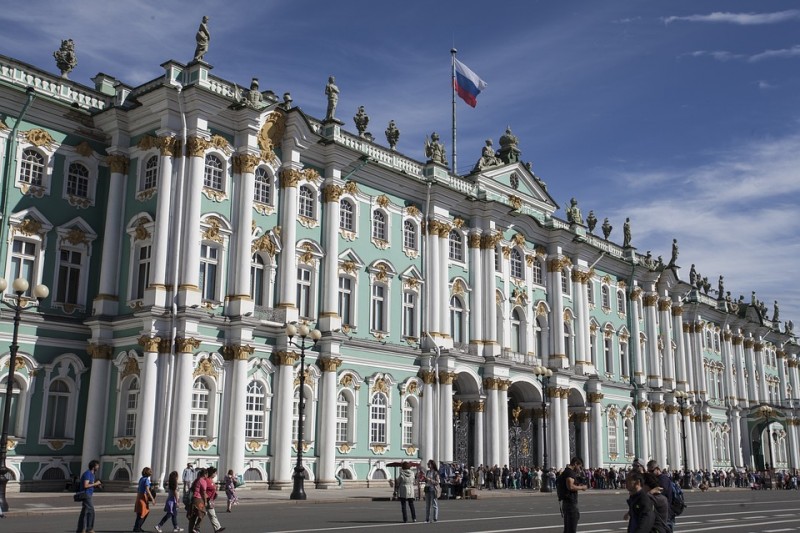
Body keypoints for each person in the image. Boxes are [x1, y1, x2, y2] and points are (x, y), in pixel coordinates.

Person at [556, 457, 587, 533]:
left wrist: (577, 485)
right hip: (571, 503)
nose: (579, 469)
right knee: (571, 529)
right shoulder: (570, 473)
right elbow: (570, 486)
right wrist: (582, 487)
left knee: (567, 529)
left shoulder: (565, 472)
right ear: (575, 463)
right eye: (579, 466)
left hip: (566, 503)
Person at [646, 460, 675, 531]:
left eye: (651, 471)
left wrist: (650, 492)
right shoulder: (657, 478)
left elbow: (659, 493)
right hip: (661, 514)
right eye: (649, 471)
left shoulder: (663, 479)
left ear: (657, 469)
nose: (650, 473)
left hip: (666, 514)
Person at [75, 459, 101, 533]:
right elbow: (86, 485)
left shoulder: (92, 474)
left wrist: (96, 485)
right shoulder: (88, 473)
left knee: (84, 512)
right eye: (97, 465)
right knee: (91, 511)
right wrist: (95, 484)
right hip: (86, 494)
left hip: (88, 494)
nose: (98, 467)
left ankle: (80, 529)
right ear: (93, 467)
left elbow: (90, 484)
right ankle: (89, 529)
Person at [132, 466, 156, 532]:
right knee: (144, 512)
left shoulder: (141, 479)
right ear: (148, 473)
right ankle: (137, 528)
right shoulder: (146, 480)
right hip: (143, 497)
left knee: (140, 513)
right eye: (150, 471)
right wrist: (152, 499)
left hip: (139, 496)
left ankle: (137, 527)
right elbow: (147, 490)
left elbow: (140, 488)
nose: (151, 472)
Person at [205, 467, 226, 533]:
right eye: (215, 473)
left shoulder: (211, 480)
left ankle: (217, 528)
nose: (215, 474)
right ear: (211, 473)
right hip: (206, 500)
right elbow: (203, 490)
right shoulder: (206, 480)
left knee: (212, 514)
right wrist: (207, 498)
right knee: (200, 516)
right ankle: (194, 528)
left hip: (210, 500)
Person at [187, 468, 207, 533]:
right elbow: (204, 492)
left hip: (193, 499)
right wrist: (205, 501)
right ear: (205, 474)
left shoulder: (196, 480)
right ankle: (196, 527)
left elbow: (192, 488)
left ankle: (191, 531)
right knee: (203, 512)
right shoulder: (203, 481)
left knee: (193, 516)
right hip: (198, 499)